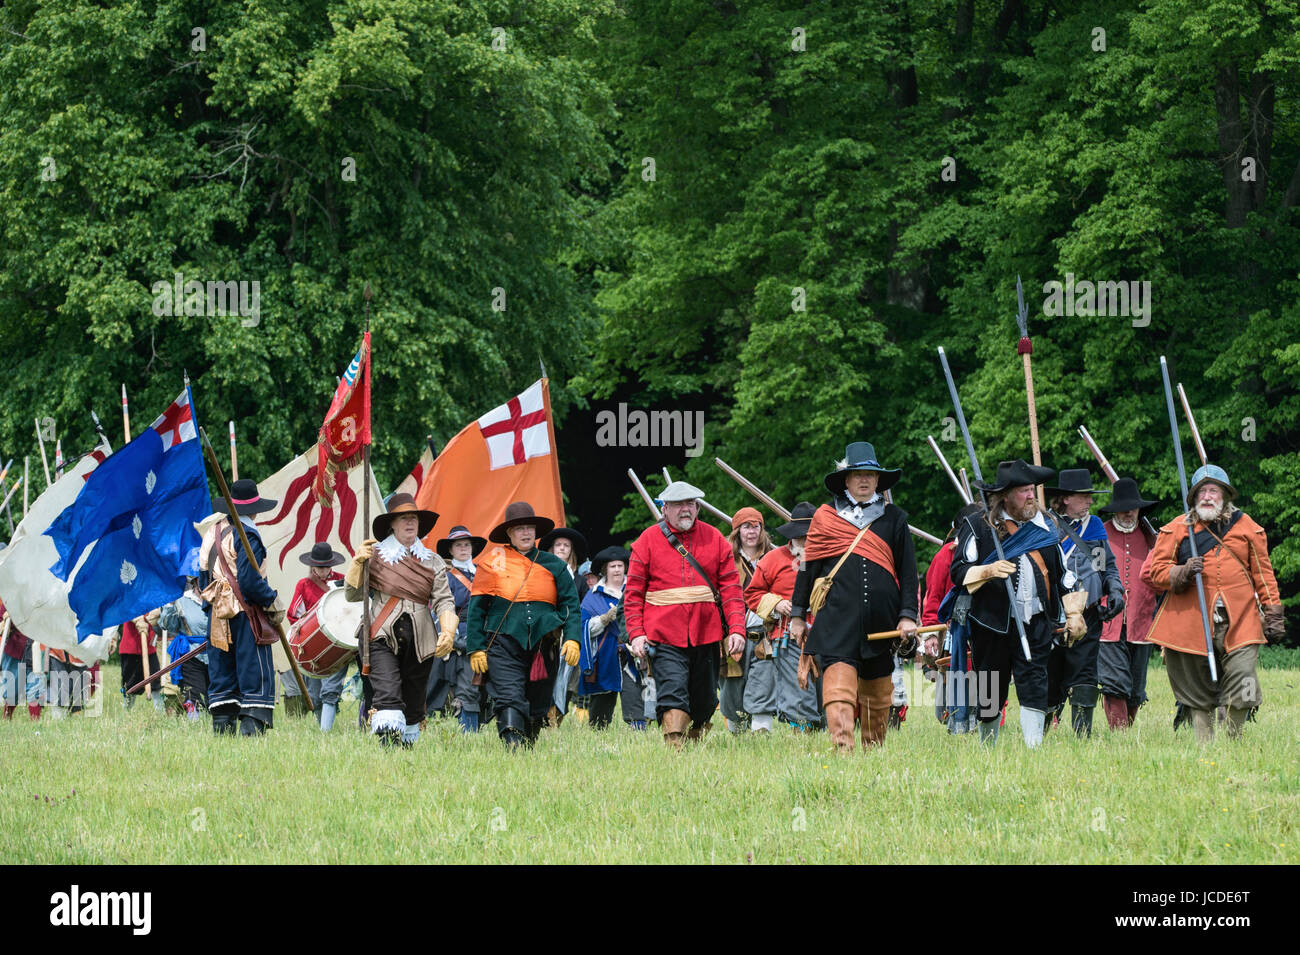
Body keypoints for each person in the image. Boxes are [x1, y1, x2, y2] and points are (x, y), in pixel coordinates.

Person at [790, 443, 919, 751]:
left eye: (870, 475)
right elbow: (807, 566)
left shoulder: (895, 518)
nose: (864, 481)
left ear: (878, 481)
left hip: (882, 621)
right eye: (857, 475)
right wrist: (797, 613)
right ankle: (843, 751)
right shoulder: (824, 518)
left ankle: (872, 752)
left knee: (877, 694)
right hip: (837, 621)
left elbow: (909, 572)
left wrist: (907, 615)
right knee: (838, 690)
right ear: (845, 480)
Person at [1141, 464, 1284, 742]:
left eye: (1214, 491)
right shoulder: (1176, 529)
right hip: (1191, 620)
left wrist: (1274, 612)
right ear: (1193, 498)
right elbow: (1153, 573)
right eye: (1202, 491)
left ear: (1225, 496)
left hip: (1240, 620)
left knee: (1244, 677)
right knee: (1196, 688)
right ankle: (1204, 745)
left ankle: (1233, 740)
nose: (1208, 497)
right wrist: (1181, 572)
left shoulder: (1247, 527)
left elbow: (1263, 575)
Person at [948, 460, 1082, 748]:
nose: (1031, 496)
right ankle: (988, 747)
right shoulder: (979, 526)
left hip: (1036, 621)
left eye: (1032, 489)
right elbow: (958, 572)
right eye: (1023, 491)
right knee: (991, 690)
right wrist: (987, 571)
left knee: (1035, 683)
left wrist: (1073, 613)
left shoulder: (1046, 526)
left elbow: (1064, 577)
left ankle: (1033, 749)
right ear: (1005, 496)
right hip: (991, 622)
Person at [624, 482, 747, 748]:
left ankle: (694, 741)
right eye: (678, 504)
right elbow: (632, 594)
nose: (685, 509)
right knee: (672, 691)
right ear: (665, 509)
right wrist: (636, 634)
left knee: (704, 699)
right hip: (663, 633)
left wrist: (737, 628)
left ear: (698, 507)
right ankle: (675, 750)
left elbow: (731, 590)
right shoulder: (646, 541)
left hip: (707, 632)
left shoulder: (715, 539)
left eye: (690, 503)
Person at [344, 494, 457, 747]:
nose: (410, 523)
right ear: (392, 524)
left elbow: (444, 600)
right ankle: (388, 746)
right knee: (388, 693)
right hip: (380, 636)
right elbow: (352, 594)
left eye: (414, 518)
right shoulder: (374, 556)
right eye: (404, 518)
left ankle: (404, 751)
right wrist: (357, 564)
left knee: (414, 700)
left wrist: (448, 630)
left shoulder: (433, 561)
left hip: (421, 640)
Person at [467, 502, 582, 748]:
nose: (526, 533)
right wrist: (476, 646)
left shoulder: (555, 565)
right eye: (519, 529)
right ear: (509, 534)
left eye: (529, 527)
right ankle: (512, 743)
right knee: (509, 694)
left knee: (537, 699)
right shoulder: (491, 563)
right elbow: (476, 610)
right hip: (502, 644)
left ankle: (527, 743)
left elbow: (571, 605)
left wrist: (572, 637)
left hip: (544, 646)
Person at [1044, 469, 1123, 737]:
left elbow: (1105, 567)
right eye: (1084, 496)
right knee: (1049, 676)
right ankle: (1039, 735)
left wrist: (1115, 590)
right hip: (1053, 615)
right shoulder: (1045, 525)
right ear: (1065, 498)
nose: (1090, 501)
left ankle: (1082, 737)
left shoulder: (1095, 526)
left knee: (1085, 677)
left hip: (1087, 614)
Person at [200, 478, 283, 736]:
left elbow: (202, 581)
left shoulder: (210, 534)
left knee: (223, 675)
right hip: (246, 614)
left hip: (217, 615)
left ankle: (223, 733)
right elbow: (248, 582)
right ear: (254, 509)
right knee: (255, 674)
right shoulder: (248, 536)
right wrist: (270, 599)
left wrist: (215, 609)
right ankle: (251, 733)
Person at [742, 502, 820, 732]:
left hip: (827, 631)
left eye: (810, 536)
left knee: (828, 688)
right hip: (788, 633)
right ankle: (803, 736)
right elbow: (752, 595)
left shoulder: (830, 556)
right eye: (801, 537)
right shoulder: (772, 559)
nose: (805, 541)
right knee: (799, 690)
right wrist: (777, 604)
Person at [1098, 478, 1160, 730]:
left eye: (1132, 508)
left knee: (1136, 687)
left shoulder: (1152, 537)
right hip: (1108, 622)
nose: (1128, 513)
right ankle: (1119, 734)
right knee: (1115, 684)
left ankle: (1127, 732)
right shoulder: (1100, 534)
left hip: (1142, 620)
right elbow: (1096, 573)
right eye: (1123, 508)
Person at [922, 503, 983, 734]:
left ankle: (983, 725)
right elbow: (933, 598)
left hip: (983, 628)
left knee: (987, 685)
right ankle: (957, 724)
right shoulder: (944, 557)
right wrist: (930, 633)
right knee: (953, 692)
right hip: (952, 634)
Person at [720, 507, 772, 734]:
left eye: (756, 526)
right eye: (746, 526)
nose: (751, 531)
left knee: (763, 688)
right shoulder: (724, 560)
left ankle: (762, 735)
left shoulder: (773, 558)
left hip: (765, 636)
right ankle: (737, 737)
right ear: (737, 531)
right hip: (731, 636)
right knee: (731, 688)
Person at [287, 543, 347, 731]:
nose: (322, 571)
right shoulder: (303, 585)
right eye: (319, 567)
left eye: (326, 566)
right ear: (312, 566)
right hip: (312, 647)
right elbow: (294, 616)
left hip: (337, 643)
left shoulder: (343, 581)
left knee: (330, 690)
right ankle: (323, 728)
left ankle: (325, 734)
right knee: (314, 693)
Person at [435, 525, 487, 732]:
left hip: (486, 634)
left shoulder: (484, 574)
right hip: (462, 635)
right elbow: (441, 608)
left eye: (467, 544)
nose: (464, 548)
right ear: (451, 550)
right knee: (468, 687)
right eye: (459, 545)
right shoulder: (446, 577)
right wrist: (453, 637)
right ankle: (469, 736)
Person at [578, 546, 630, 729]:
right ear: (605, 570)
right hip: (605, 653)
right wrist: (604, 619)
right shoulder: (593, 597)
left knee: (636, 695)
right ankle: (599, 732)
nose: (617, 569)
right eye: (612, 566)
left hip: (633, 654)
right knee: (602, 701)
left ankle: (638, 730)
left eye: (620, 565)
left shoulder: (635, 589)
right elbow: (584, 628)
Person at [540, 525, 588, 721]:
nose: (561, 548)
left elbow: (584, 609)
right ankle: (544, 717)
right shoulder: (542, 574)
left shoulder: (579, 581)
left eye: (566, 545)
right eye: (558, 545)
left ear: (571, 550)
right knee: (546, 678)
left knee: (569, 681)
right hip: (547, 635)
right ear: (551, 549)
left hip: (570, 636)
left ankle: (557, 719)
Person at [157, 578, 211, 720]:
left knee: (215, 699)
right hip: (191, 656)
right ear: (195, 581)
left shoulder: (218, 597)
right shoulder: (182, 600)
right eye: (203, 578)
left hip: (216, 654)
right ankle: (195, 727)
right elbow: (168, 625)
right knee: (195, 696)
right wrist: (170, 603)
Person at [116, 615, 164, 712]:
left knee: (156, 681)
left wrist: (157, 613)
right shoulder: (127, 598)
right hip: (130, 648)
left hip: (149, 648)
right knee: (130, 685)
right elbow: (125, 608)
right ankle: (126, 713)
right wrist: (136, 618)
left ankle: (160, 714)